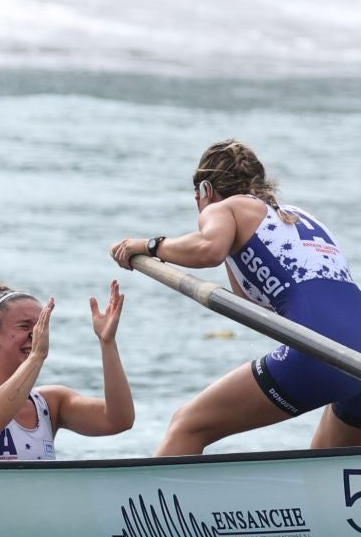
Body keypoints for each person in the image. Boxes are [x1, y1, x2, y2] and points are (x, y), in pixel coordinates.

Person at [110, 140, 361, 455]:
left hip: (317, 347)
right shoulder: (294, 217)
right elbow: (251, 302)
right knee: (324, 463)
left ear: (205, 191)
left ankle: (148, 503)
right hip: (356, 353)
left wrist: (148, 246)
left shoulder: (224, 207)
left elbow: (208, 249)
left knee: (187, 424)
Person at [0, 284, 133, 460]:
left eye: (40, 327)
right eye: (25, 326)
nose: (36, 335)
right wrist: (36, 356)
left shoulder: (52, 402)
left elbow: (119, 419)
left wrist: (107, 342)